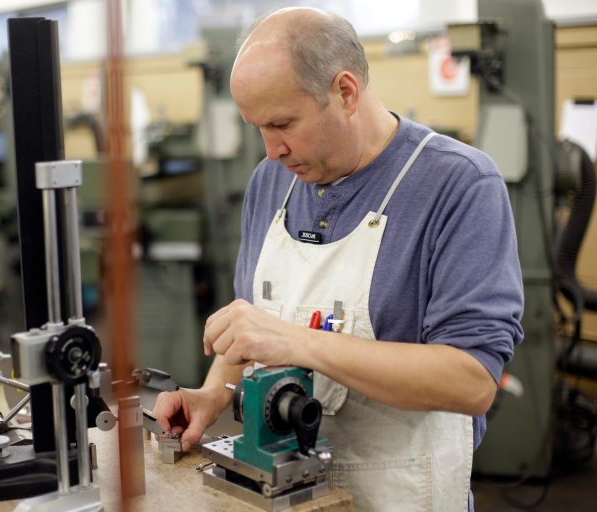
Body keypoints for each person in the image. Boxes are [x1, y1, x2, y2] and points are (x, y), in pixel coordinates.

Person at [152, 7, 523, 511]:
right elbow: (254, 323)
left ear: (346, 92)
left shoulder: (458, 185)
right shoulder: (271, 181)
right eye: (258, 127)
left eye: (282, 123)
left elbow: (472, 381)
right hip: (287, 498)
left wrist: (300, 343)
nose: (272, 149)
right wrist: (214, 392)